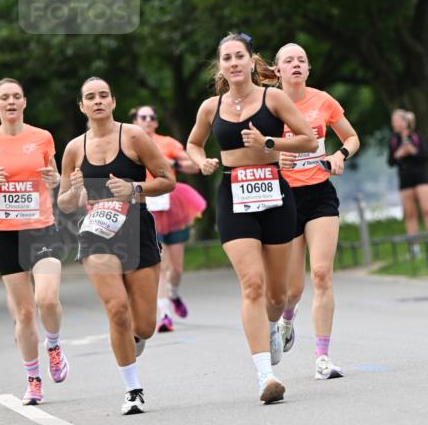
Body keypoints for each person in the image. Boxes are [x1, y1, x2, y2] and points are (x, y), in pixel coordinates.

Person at [186, 32, 316, 405]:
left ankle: (273, 325)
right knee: (252, 285)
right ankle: (265, 376)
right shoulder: (210, 108)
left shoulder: (272, 98)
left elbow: (307, 139)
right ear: (221, 67)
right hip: (233, 195)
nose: (233, 63)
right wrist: (201, 161)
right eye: (226, 58)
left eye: (239, 56)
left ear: (250, 60)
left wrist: (269, 144)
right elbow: (194, 143)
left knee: (278, 295)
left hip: (275, 195)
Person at [58, 77, 175, 416]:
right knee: (117, 309)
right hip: (96, 232)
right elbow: (65, 203)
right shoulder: (74, 148)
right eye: (90, 97)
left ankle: (134, 340)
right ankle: (133, 389)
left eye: (103, 96)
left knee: (144, 326)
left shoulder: (135, 136)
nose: (97, 101)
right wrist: (75, 194)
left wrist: (135, 189)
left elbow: (167, 179)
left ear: (112, 101)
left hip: (137, 229)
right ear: (82, 106)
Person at [274, 43, 360, 380]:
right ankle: (286, 318)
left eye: (302, 60)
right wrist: (273, 157)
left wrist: (340, 154)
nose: (296, 64)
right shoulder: (267, 106)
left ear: (308, 70)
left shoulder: (323, 101)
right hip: (285, 198)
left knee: (322, 274)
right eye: (288, 60)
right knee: (292, 289)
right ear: (277, 70)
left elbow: (352, 137)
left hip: (320, 194)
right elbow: (249, 149)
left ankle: (322, 358)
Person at [0, 78, 69, 406]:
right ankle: (33, 379)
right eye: (4, 97)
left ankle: (53, 344)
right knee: (23, 313)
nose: (10, 102)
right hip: (6, 234)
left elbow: (55, 179)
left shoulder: (42, 137)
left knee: (47, 300)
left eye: (16, 96)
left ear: (24, 102)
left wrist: (57, 179)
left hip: (41, 229)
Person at [130, 106, 206, 332]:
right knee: (160, 265)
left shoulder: (168, 143)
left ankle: (173, 293)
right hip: (145, 205)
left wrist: (172, 164)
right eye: (143, 117)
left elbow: (194, 165)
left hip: (171, 205)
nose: (148, 121)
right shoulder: (128, 143)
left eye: (152, 117)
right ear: (135, 120)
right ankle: (164, 315)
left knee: (177, 268)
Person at [388, 110, 428, 254]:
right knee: (410, 214)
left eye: (395, 120)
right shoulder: (394, 140)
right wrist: (398, 154)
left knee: (427, 210)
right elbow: (390, 161)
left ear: (404, 122)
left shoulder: (417, 137)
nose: (393, 123)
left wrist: (413, 151)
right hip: (405, 180)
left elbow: (426, 155)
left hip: (422, 177)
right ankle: (414, 246)